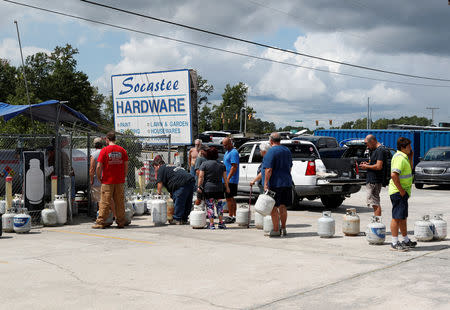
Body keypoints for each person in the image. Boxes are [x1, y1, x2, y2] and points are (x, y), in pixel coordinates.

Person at [92, 131, 128, 229]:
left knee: (104, 202)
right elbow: (126, 166)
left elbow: (99, 166)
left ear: (107, 140)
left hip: (107, 181)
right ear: (115, 139)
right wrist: (123, 176)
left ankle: (100, 222)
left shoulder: (104, 150)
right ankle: (120, 222)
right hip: (119, 181)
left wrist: (99, 177)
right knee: (119, 202)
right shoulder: (122, 150)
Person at [389, 137, 417, 251]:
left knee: (402, 217)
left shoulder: (404, 157)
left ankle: (405, 240)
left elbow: (409, 169)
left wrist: (411, 157)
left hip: (402, 193)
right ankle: (394, 242)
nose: (410, 148)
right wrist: (401, 191)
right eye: (409, 146)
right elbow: (394, 175)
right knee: (396, 217)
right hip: (398, 192)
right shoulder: (400, 158)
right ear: (403, 148)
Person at [263, 132, 293, 237]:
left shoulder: (271, 152)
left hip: (275, 184)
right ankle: (283, 228)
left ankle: (276, 229)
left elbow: (268, 169)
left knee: (273, 207)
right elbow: (290, 167)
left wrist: (266, 183)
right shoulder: (287, 150)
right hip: (287, 182)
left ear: (271, 141)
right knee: (283, 206)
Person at [152, 155, 195, 225]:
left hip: (181, 182)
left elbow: (159, 183)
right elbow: (172, 178)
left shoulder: (161, 169)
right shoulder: (171, 166)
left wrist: (158, 194)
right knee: (187, 200)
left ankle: (177, 218)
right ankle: (184, 218)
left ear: (158, 165)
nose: (155, 170)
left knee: (179, 200)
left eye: (155, 168)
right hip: (190, 179)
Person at [198, 147, 230, 229]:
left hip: (208, 188)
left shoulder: (204, 164)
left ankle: (212, 224)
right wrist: (227, 187)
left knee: (210, 206)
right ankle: (221, 223)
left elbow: (201, 177)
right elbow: (225, 178)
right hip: (219, 188)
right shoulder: (222, 165)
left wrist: (199, 186)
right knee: (219, 206)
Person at [359, 134, 385, 216]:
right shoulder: (376, 150)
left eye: (367, 143)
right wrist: (368, 164)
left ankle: (377, 223)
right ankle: (377, 222)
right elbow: (375, 164)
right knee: (374, 202)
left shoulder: (380, 150)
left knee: (375, 202)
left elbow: (379, 166)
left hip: (374, 181)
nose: (367, 146)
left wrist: (366, 166)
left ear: (373, 141)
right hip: (373, 180)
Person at [222, 137, 239, 223]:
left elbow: (234, 166)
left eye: (225, 145)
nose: (224, 146)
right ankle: (234, 215)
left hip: (231, 179)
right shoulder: (227, 152)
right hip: (226, 178)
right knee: (231, 198)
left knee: (229, 198)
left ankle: (231, 216)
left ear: (230, 143)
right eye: (223, 145)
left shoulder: (234, 152)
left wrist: (228, 178)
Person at [89, 137, 107, 216]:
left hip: (97, 181)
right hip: (106, 180)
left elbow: (92, 169)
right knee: (106, 199)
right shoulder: (106, 152)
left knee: (99, 200)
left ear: (94, 145)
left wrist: (91, 179)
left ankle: (100, 215)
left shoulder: (93, 155)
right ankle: (107, 214)